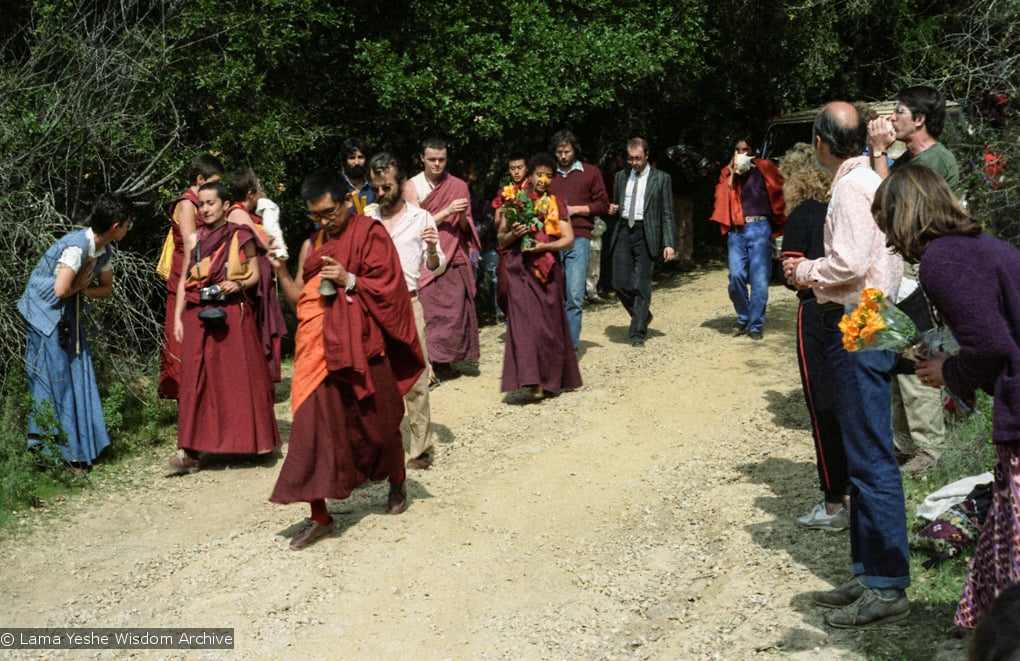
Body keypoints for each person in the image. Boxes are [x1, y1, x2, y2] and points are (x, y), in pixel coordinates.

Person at [872, 163, 1020, 631]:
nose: (891, 244)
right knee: (1006, 517)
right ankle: (982, 622)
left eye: (888, 229)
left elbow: (992, 344)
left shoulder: (943, 259)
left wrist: (947, 370)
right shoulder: (981, 246)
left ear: (906, 216)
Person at [784, 101, 909, 628]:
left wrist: (804, 270)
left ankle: (886, 586)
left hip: (860, 318)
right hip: (872, 313)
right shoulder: (868, 180)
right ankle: (869, 573)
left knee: (871, 455)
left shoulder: (850, 187)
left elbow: (851, 263)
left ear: (820, 140)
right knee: (862, 453)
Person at [270, 169, 424, 550]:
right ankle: (320, 516)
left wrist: (348, 278)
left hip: (364, 346)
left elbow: (389, 289)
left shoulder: (370, 235)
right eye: (315, 216)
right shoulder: (313, 244)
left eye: (328, 213)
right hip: (318, 351)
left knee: (380, 423)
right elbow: (299, 302)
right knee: (311, 433)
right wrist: (281, 271)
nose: (323, 221)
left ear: (347, 202)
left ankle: (398, 478)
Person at [868, 86, 960, 474]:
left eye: (900, 112)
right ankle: (903, 443)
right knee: (890, 350)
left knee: (920, 350)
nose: (893, 118)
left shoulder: (936, 161)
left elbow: (892, 205)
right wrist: (881, 155)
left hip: (921, 270)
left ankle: (928, 448)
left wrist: (878, 154)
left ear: (919, 119)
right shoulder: (905, 160)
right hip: (896, 267)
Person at [168, 182, 281, 473]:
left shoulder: (240, 235)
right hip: (197, 312)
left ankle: (246, 444)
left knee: (236, 379)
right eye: (202, 204)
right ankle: (190, 451)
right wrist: (178, 317)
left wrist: (238, 284)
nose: (205, 209)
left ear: (225, 204)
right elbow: (184, 281)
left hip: (232, 312)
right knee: (195, 381)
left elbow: (255, 274)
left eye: (211, 204)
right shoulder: (194, 238)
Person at [19, 193, 133, 468]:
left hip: (66, 314)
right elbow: (60, 289)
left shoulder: (103, 250)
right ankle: (50, 455)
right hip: (43, 315)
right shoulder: (76, 248)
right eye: (128, 223)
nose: (130, 228)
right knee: (54, 380)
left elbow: (105, 289)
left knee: (76, 374)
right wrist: (79, 288)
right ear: (116, 226)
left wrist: (82, 289)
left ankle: (78, 449)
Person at [777, 143, 847, 531]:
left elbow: (791, 272)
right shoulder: (845, 208)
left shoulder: (803, 215)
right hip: (853, 311)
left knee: (821, 407)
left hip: (815, 312)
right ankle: (854, 492)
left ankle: (834, 501)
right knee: (847, 402)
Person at [366, 152, 447, 470]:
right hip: (373, 307)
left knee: (414, 378)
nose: (381, 193)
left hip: (408, 303)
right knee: (375, 379)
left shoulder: (421, 218)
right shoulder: (368, 219)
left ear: (400, 184)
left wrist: (430, 248)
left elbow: (436, 267)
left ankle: (420, 448)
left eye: (386, 187)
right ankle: (380, 446)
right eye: (376, 188)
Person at [496, 152, 582, 399]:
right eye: (538, 175)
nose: (543, 179)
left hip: (546, 270)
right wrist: (515, 234)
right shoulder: (513, 200)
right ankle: (531, 380)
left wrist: (544, 247)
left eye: (548, 176)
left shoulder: (556, 202)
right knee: (524, 326)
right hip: (519, 269)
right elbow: (501, 238)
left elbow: (568, 240)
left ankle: (551, 379)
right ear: (530, 176)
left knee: (547, 326)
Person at [403, 136, 480, 379]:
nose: (437, 164)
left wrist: (462, 216)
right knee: (429, 312)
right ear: (422, 159)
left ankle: (447, 359)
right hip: (424, 255)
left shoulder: (458, 185)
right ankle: (430, 363)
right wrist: (447, 211)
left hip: (453, 251)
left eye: (442, 160)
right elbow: (414, 224)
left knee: (454, 312)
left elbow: (466, 228)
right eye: (432, 159)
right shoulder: (411, 186)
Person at [158, 153, 224, 400]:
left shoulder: (202, 203)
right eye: (214, 181)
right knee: (180, 340)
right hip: (184, 279)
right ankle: (181, 396)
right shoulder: (186, 204)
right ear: (200, 178)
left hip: (202, 278)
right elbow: (190, 244)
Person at [710, 135, 786, 340]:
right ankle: (744, 316)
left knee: (760, 279)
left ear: (753, 152)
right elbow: (722, 199)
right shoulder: (727, 173)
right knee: (735, 276)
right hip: (737, 230)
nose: (742, 153)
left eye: (745, 149)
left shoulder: (765, 168)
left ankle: (755, 325)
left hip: (760, 227)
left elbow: (781, 193)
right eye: (738, 149)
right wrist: (733, 174)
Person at [606, 138, 676, 347]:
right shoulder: (620, 177)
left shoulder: (661, 179)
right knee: (618, 282)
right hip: (624, 231)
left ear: (646, 155)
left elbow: (667, 213)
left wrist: (669, 243)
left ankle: (638, 331)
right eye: (630, 159)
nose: (634, 163)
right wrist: (613, 209)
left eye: (637, 158)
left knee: (641, 283)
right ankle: (642, 314)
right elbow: (617, 203)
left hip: (647, 231)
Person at [547, 129, 611, 352]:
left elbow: (603, 204)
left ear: (574, 150)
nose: (563, 156)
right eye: (559, 152)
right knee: (553, 296)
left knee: (574, 295)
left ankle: (570, 350)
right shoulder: (547, 176)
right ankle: (555, 345)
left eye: (567, 151)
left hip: (580, 238)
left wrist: (575, 209)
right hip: (551, 240)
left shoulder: (590, 173)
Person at [227, 169, 288, 382]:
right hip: (253, 282)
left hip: (257, 278)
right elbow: (262, 245)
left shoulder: (238, 213)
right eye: (259, 188)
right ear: (251, 193)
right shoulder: (239, 214)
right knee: (259, 330)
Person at [342, 137, 375, 213]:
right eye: (352, 158)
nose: (357, 162)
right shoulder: (336, 186)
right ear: (345, 161)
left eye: (360, 157)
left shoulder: (375, 188)